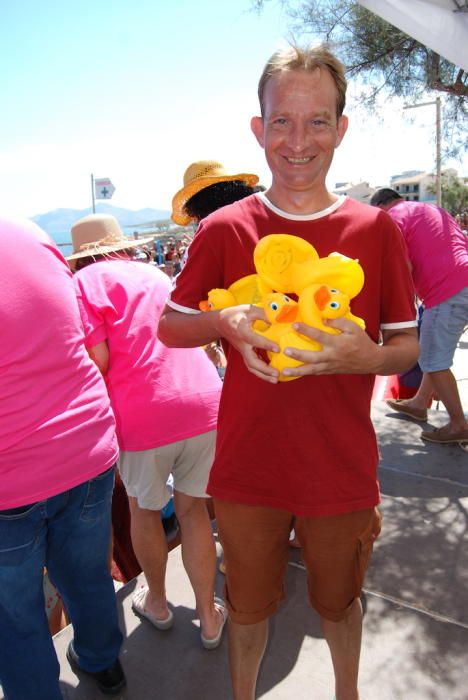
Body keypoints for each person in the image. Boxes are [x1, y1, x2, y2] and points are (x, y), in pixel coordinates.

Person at [158, 44, 419, 700]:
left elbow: (408, 345)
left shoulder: (377, 230)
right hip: (248, 472)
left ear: (341, 128)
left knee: (340, 605)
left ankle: (347, 694)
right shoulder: (222, 229)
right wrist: (222, 323)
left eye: (318, 121)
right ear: (258, 129)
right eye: (282, 121)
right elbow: (169, 325)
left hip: (342, 470)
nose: (298, 140)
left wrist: (369, 359)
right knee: (247, 610)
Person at [67, 213, 227, 648]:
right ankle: (209, 617)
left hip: (144, 415)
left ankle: (156, 601)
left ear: (80, 257)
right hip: (204, 402)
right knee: (195, 513)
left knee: (144, 511)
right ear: (118, 245)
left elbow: (98, 359)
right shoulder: (154, 272)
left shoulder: (83, 285)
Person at [0, 215, 125, 699]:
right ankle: (103, 662)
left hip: (11, 476)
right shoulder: (27, 231)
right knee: (87, 572)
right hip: (85, 446)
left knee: (15, 615)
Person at [370, 188, 468, 444]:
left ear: (381, 206)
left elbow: (402, 267)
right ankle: (419, 403)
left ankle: (458, 424)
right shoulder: (434, 211)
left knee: (434, 360)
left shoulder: (392, 217)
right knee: (431, 351)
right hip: (462, 279)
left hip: (446, 290)